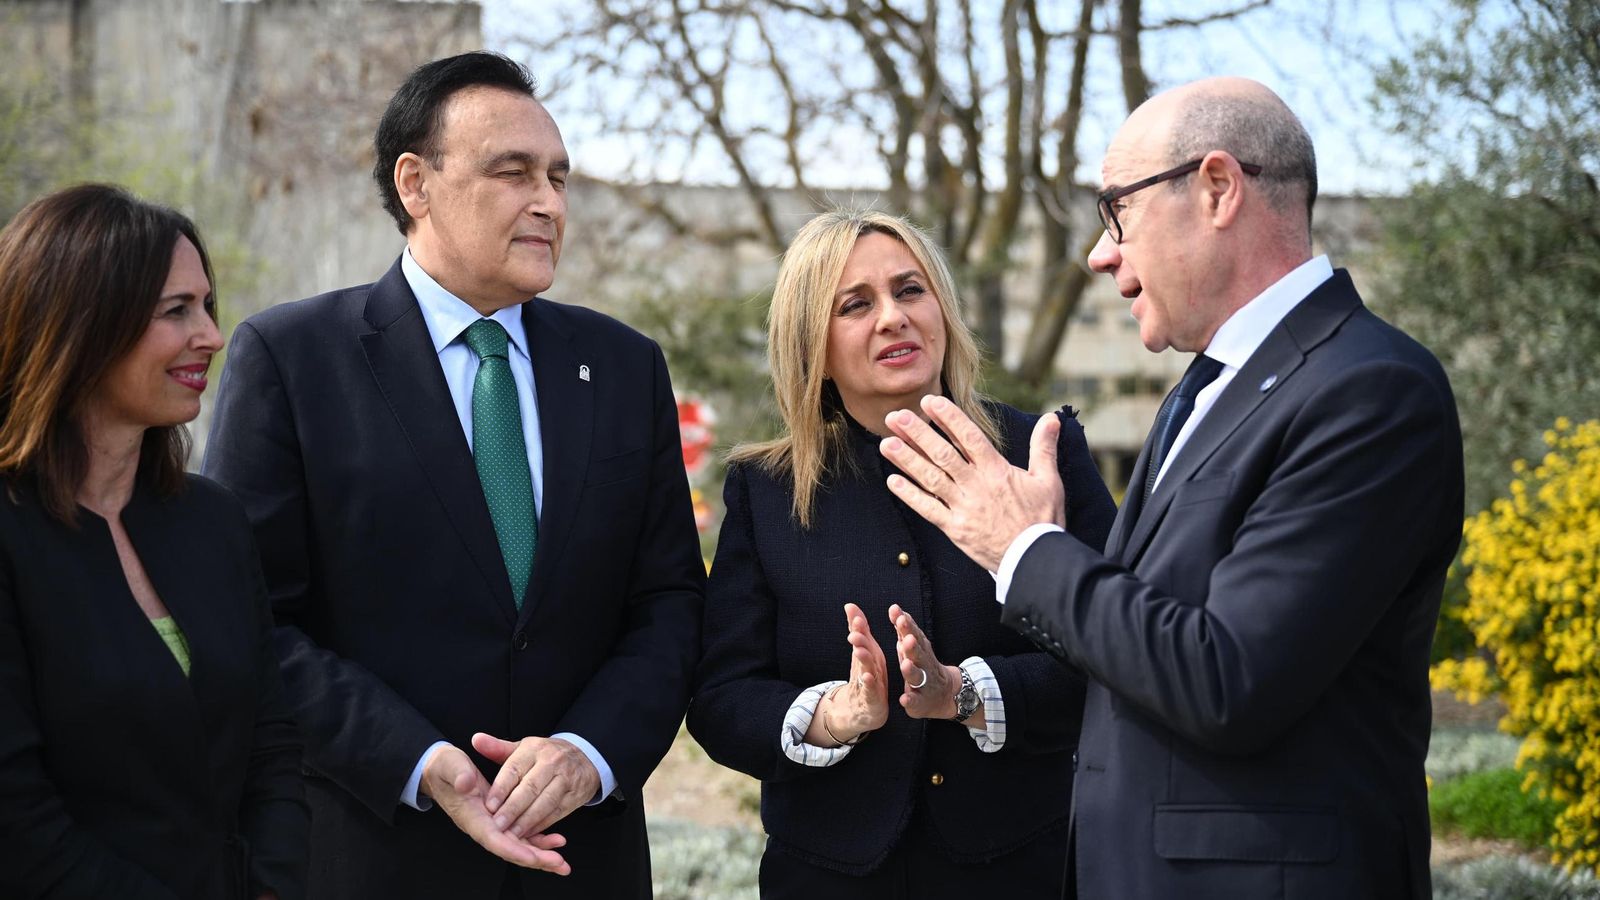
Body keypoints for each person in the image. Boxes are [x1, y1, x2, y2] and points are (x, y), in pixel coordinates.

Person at [879, 77, 1463, 899]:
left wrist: (1025, 551)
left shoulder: (1369, 389)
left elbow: (1226, 679)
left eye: (1117, 210)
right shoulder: (1205, 385)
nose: (1100, 253)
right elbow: (1141, 650)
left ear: (1218, 188)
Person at [202, 52, 704, 899]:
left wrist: (590, 752)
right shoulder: (292, 359)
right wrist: (419, 760)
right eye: (512, 173)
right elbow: (251, 622)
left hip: (584, 863)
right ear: (415, 183)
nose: (548, 202)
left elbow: (670, 604)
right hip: (372, 855)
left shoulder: (623, 366)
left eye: (557, 176)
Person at [688, 209, 1116, 898]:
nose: (893, 317)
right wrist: (835, 716)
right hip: (826, 878)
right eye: (855, 305)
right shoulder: (765, 490)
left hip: (1020, 870)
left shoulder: (1041, 454)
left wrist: (965, 695)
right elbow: (720, 701)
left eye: (910, 290)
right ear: (812, 346)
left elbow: (1114, 660)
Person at [0, 184, 309, 899]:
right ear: (80, 325)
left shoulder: (213, 522)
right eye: (176, 311)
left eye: (207, 306)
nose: (211, 335)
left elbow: (272, 745)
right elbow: (17, 820)